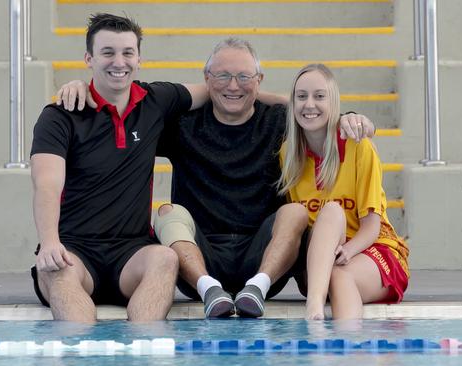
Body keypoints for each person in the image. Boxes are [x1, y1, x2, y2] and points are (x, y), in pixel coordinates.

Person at [58, 38, 375, 319]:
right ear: (206, 79)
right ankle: (211, 291)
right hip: (200, 261)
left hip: (265, 260)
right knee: (168, 212)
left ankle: (256, 290)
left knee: (295, 212)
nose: (233, 86)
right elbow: (123, 110)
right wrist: (85, 88)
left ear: (259, 81)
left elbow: (314, 109)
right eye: (222, 76)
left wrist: (348, 117)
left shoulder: (279, 122)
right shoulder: (181, 124)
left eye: (243, 77)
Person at [30, 13, 209, 323]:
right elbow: (46, 184)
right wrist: (49, 243)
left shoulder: (155, 101)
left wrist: (285, 101)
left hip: (132, 252)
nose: (119, 62)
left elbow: (220, 89)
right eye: (108, 53)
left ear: (138, 58)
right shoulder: (60, 116)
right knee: (58, 268)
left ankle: (142, 350)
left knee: (166, 258)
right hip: (75, 250)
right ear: (89, 58)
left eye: (128, 52)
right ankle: (82, 352)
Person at [277, 64, 409, 320]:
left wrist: (348, 252)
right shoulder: (288, 155)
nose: (309, 104)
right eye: (301, 96)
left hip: (373, 249)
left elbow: (371, 226)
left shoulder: (359, 146)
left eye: (319, 96)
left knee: (339, 272)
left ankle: (333, 336)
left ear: (334, 101)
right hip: (323, 259)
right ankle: (319, 317)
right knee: (330, 215)